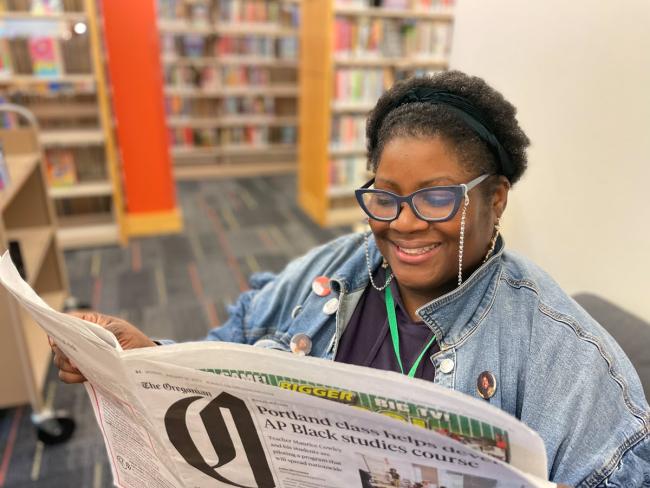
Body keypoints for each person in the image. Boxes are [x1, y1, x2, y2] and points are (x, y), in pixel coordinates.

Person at [51, 71, 650, 486]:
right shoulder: (336, 267)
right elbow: (226, 355)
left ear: (495, 200)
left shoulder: (565, 355)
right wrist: (146, 354)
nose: (404, 225)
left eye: (438, 199)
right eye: (384, 198)